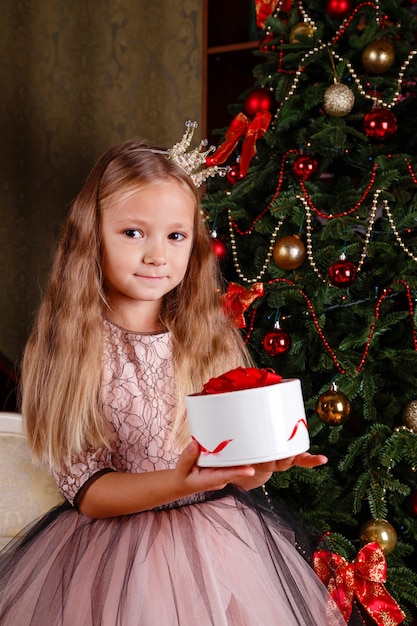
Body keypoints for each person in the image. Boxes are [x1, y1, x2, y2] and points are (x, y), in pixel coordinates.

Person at [0, 127, 346, 626]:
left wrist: (269, 463)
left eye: (175, 235)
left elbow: (237, 475)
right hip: (112, 559)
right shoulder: (70, 348)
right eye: (133, 232)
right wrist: (179, 481)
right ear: (90, 234)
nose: (157, 254)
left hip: (223, 550)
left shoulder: (209, 339)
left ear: (194, 245)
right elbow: (90, 494)